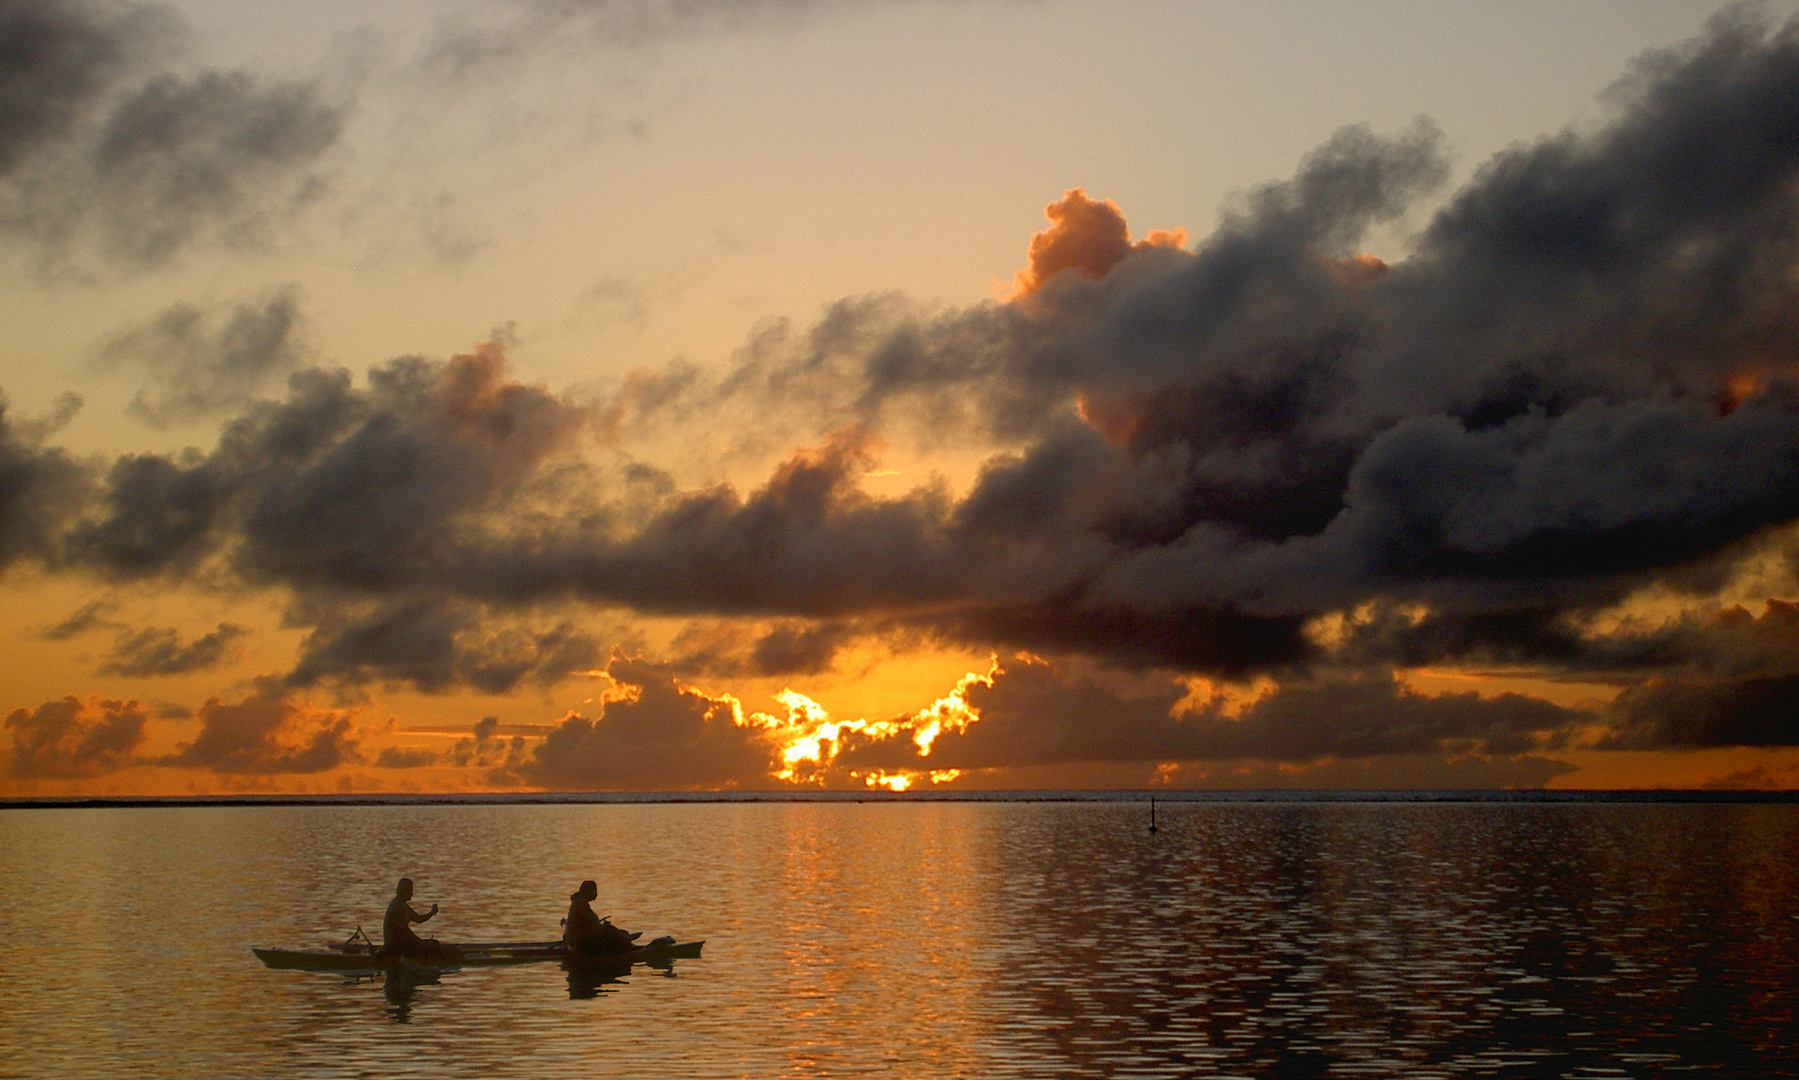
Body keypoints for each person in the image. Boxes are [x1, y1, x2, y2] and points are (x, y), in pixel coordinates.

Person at [381, 877, 459, 961]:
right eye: (410, 890)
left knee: (434, 943)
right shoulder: (397, 906)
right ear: (404, 890)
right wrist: (420, 943)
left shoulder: (402, 905)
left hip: (402, 943)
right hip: (396, 946)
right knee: (434, 947)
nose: (412, 893)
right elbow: (404, 931)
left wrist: (431, 912)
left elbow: (418, 919)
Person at [564, 879, 636, 955]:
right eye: (594, 891)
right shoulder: (581, 907)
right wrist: (606, 929)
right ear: (588, 892)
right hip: (582, 945)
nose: (596, 894)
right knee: (616, 935)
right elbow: (593, 930)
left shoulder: (578, 903)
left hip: (579, 941)